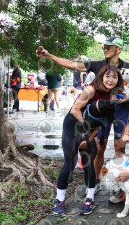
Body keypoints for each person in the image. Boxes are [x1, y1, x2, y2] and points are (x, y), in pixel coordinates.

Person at [37, 36, 129, 191]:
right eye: (104, 46)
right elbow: (72, 64)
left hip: (121, 110)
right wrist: (49, 56)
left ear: (119, 49)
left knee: (120, 147)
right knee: (100, 147)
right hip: (101, 110)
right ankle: (94, 182)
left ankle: (120, 186)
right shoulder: (97, 65)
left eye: (109, 47)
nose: (105, 49)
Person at [52, 65, 124, 216]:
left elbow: (103, 121)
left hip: (90, 129)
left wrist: (90, 137)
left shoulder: (112, 96)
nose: (110, 80)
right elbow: (75, 110)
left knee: (88, 163)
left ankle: (89, 199)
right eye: (107, 76)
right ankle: (59, 200)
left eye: (114, 77)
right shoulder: (90, 90)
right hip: (73, 124)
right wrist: (84, 133)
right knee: (69, 162)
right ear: (101, 76)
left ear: (118, 80)